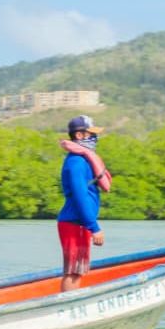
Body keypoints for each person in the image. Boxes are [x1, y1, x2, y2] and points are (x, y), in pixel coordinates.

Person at [58, 115, 107, 292]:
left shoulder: (82, 160)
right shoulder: (76, 162)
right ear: (79, 136)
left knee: (78, 270)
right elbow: (80, 197)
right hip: (74, 223)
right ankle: (67, 309)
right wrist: (94, 227)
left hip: (79, 223)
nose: (95, 138)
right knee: (73, 270)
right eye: (91, 134)